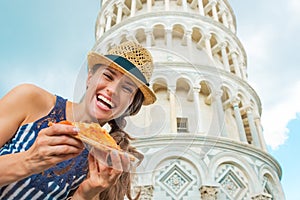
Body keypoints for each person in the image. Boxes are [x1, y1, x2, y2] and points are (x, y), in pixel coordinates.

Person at [0, 41, 156, 200]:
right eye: (108, 76)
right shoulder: (30, 99)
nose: (113, 90)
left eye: (127, 88)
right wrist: (29, 161)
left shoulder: (101, 163)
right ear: (90, 77)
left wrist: (85, 194)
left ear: (131, 104)